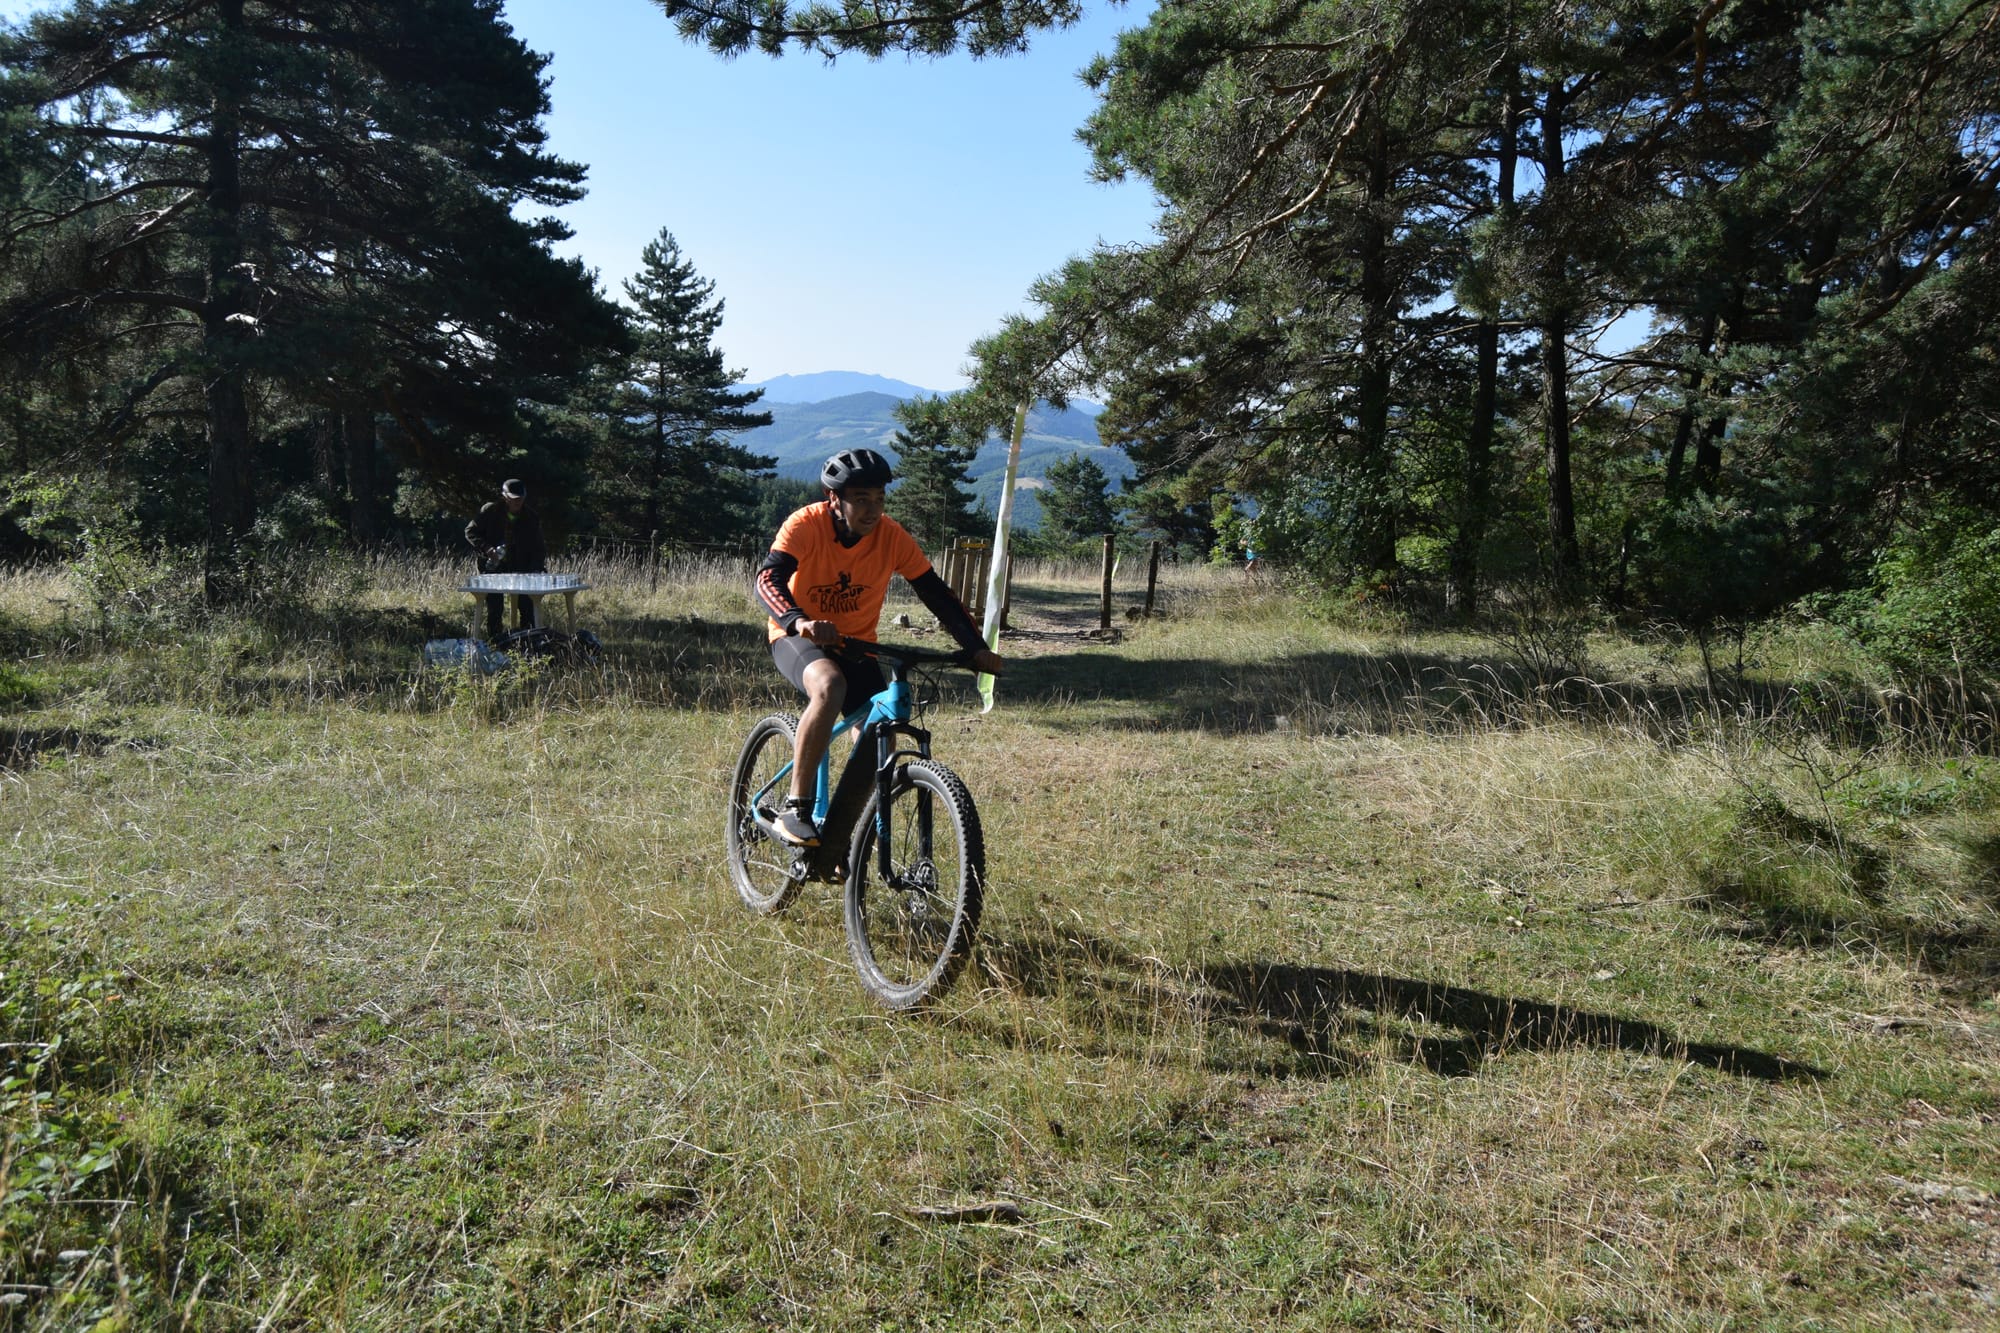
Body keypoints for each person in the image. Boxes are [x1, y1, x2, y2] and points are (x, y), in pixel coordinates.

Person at [753, 448, 1004, 847]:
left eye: (880, 500)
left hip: (857, 645)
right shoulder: (805, 525)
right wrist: (798, 620)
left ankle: (840, 837)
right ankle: (796, 808)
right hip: (796, 637)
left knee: (876, 732)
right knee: (829, 686)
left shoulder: (891, 537)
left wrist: (974, 648)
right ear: (834, 499)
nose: (872, 510)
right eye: (861, 500)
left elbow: (937, 595)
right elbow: (768, 580)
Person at [465, 478, 547, 641]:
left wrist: (537, 568)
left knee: (527, 606)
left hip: (521, 567)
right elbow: (471, 532)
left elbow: (539, 548)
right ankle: (495, 642)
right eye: (514, 499)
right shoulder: (490, 511)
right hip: (493, 567)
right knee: (495, 607)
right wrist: (487, 548)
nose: (518, 502)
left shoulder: (531, 517)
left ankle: (527, 643)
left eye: (520, 499)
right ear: (505, 497)